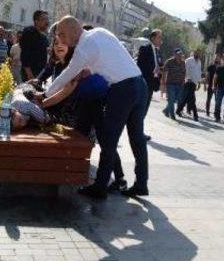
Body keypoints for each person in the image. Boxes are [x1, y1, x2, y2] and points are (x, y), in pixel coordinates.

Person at [44, 16, 148, 199]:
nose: (60, 38)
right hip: (140, 84)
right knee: (137, 138)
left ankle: (100, 187)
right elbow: (106, 61)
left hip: (123, 90)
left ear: (74, 30)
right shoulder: (101, 32)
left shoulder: (83, 47)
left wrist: (45, 94)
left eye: (62, 33)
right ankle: (141, 184)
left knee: (108, 140)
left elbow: (68, 74)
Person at [136, 28, 163, 121]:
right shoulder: (145, 49)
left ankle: (139, 130)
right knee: (140, 109)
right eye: (159, 37)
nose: (161, 40)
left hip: (152, 84)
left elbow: (159, 65)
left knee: (145, 109)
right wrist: (154, 70)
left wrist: (160, 71)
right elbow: (140, 66)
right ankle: (137, 131)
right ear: (153, 38)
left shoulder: (158, 51)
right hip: (144, 83)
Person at [20, 10, 50, 81]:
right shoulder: (29, 32)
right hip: (30, 75)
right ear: (36, 21)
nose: (47, 22)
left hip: (41, 74)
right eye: (44, 19)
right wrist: (30, 76)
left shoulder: (43, 37)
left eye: (47, 19)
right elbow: (24, 56)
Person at [177, 49, 202, 121]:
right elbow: (185, 69)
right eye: (196, 52)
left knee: (187, 98)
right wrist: (187, 78)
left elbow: (199, 72)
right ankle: (195, 115)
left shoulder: (199, 62)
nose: (198, 54)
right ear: (194, 53)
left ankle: (178, 110)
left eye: (199, 53)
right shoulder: (188, 60)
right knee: (192, 99)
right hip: (188, 82)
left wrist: (199, 82)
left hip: (194, 83)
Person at [161, 49, 185, 121]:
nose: (179, 56)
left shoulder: (183, 63)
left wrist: (183, 81)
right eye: (178, 55)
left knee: (176, 99)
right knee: (171, 99)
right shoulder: (169, 62)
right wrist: (163, 82)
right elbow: (164, 71)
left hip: (179, 84)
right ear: (174, 55)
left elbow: (184, 72)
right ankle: (172, 115)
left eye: (180, 55)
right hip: (170, 84)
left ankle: (166, 110)